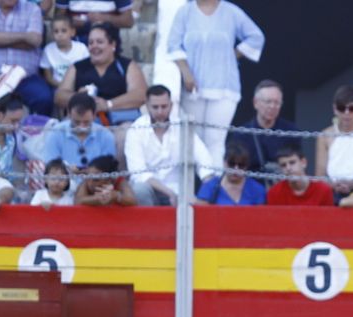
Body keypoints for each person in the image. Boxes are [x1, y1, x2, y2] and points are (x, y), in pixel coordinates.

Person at [166, 0, 262, 165]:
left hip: (224, 87)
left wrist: (232, 55)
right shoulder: (185, 12)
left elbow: (256, 37)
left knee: (215, 141)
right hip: (193, 88)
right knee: (193, 140)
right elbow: (173, 45)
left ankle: (212, 187)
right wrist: (186, 73)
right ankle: (193, 187)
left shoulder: (231, 12)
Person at [123, 83, 212, 206]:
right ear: (147, 106)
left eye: (164, 106)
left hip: (179, 191)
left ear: (171, 105)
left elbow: (204, 160)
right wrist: (169, 193)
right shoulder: (135, 130)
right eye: (155, 107)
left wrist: (207, 192)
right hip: (151, 189)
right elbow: (139, 174)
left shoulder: (182, 126)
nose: (160, 111)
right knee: (140, 190)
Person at [54, 22, 145, 134]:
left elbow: (140, 94)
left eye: (100, 42)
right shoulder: (78, 67)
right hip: (83, 119)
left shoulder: (127, 65)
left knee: (126, 133)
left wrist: (108, 104)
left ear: (113, 45)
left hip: (120, 120)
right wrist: (79, 98)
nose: (94, 46)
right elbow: (59, 96)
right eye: (91, 43)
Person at [0, 0, 53, 116]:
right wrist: (24, 38)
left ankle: (35, 134)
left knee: (43, 98)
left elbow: (35, 40)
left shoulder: (32, 9)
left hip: (25, 78)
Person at [225, 78, 298, 177]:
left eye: (277, 102)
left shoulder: (291, 131)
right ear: (255, 103)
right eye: (268, 102)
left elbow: (296, 166)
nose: (272, 106)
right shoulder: (241, 134)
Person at [38, 91, 114, 174]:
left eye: (86, 122)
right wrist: (67, 170)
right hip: (64, 183)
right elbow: (51, 167)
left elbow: (108, 169)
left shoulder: (106, 135)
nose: (81, 127)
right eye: (77, 122)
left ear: (94, 115)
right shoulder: (55, 133)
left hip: (95, 183)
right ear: (69, 114)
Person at [265, 142, 332, 206]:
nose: (288, 168)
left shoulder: (323, 190)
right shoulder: (274, 193)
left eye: (292, 162)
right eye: (283, 165)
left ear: (303, 162)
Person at [39, 12, 86, 89]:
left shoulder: (82, 48)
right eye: (56, 31)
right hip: (56, 86)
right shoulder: (48, 50)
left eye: (64, 31)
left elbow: (86, 71)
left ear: (72, 32)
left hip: (78, 86)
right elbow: (48, 77)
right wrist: (61, 86)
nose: (60, 35)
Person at [52, 0, 132, 42]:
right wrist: (70, 22)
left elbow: (128, 21)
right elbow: (58, 18)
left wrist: (104, 18)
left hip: (106, 41)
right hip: (75, 41)